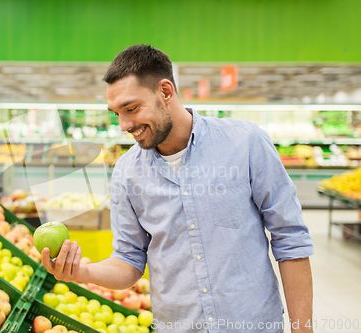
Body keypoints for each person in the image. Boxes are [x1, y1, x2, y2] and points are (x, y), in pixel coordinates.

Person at [41, 44, 314, 333]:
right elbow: (129, 260)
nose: (124, 125)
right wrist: (84, 271)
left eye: (131, 109)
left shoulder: (246, 143)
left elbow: (290, 239)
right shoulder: (127, 172)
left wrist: (302, 329)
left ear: (166, 92)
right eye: (116, 113)